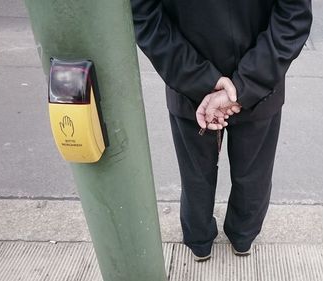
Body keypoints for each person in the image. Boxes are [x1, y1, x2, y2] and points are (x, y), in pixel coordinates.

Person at [131, 0, 312, 262]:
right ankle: (243, 236)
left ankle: (199, 241)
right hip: (260, 85)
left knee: (196, 175)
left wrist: (201, 79)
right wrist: (244, 85)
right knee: (253, 175)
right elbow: (293, 16)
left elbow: (144, 15)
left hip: (188, 85)